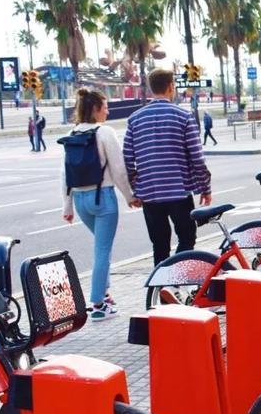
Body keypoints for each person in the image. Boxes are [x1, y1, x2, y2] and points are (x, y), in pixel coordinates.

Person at [123, 68, 213, 266]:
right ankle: (175, 278)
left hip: (150, 194)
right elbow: (197, 158)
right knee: (187, 238)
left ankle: (162, 288)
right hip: (178, 193)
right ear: (171, 87)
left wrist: (136, 188)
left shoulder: (134, 119)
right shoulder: (183, 116)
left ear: (150, 88)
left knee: (160, 244)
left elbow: (128, 160)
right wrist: (205, 188)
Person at [60, 89, 135, 321]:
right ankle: (98, 304)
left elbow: (65, 173)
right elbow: (119, 169)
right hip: (103, 198)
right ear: (95, 109)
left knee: (103, 247)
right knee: (102, 250)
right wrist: (130, 196)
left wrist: (67, 206)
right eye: (105, 107)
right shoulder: (105, 132)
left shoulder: (72, 133)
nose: (108, 110)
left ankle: (104, 292)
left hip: (81, 200)